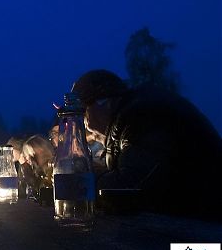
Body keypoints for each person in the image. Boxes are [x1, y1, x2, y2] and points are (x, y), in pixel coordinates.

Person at [72, 69, 222, 218]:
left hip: (207, 227)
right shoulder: (137, 110)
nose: (85, 125)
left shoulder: (141, 117)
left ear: (104, 102)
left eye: (83, 113)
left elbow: (130, 188)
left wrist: (79, 180)